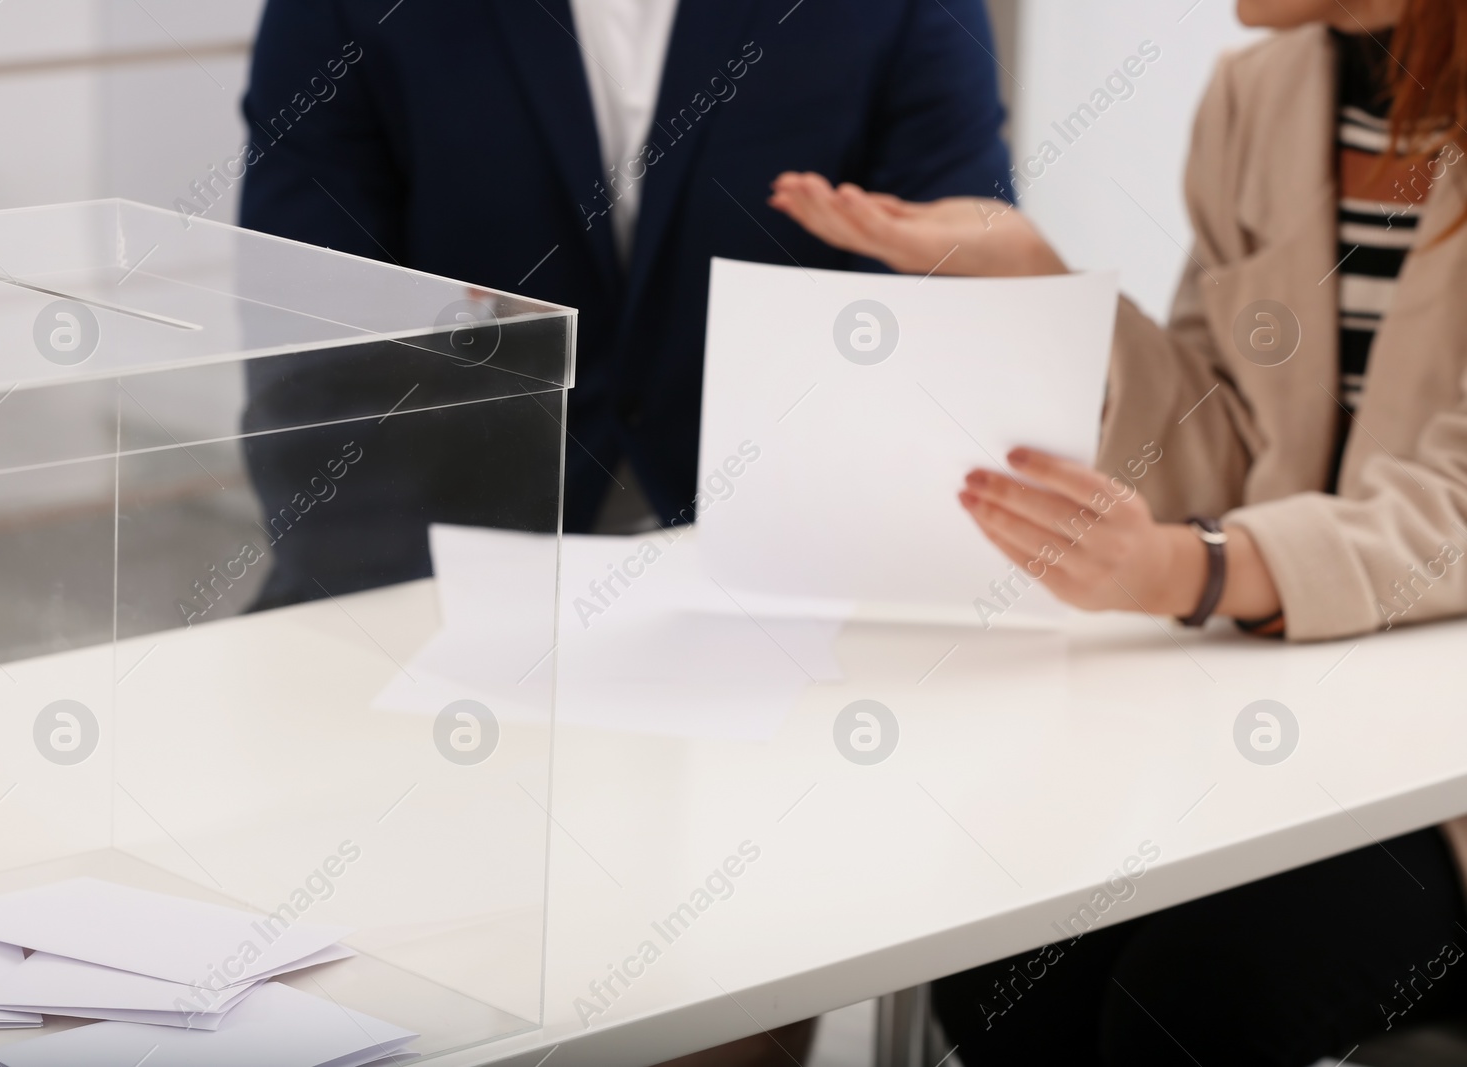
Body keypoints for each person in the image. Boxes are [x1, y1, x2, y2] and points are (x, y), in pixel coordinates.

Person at [770, 0, 1467, 1061]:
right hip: (1277, 706)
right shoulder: (1258, 94)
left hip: (1434, 764)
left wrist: (1195, 567)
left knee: (1188, 997)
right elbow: (1230, 442)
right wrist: (1038, 281)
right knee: (1002, 963)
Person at [237, 0, 1012, 610]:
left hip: (792, 572)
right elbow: (310, 324)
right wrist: (400, 613)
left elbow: (951, 296)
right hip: (440, 569)